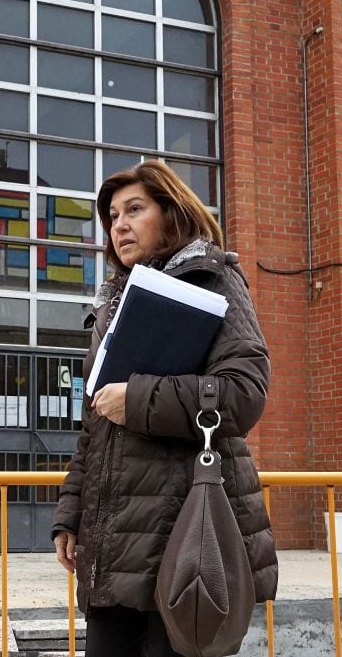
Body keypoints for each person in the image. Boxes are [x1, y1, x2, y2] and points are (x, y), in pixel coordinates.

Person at [51, 160, 278, 656]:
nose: (120, 226)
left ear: (172, 215)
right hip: (112, 545)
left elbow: (243, 392)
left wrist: (136, 399)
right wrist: (70, 515)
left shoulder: (211, 280)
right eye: (112, 217)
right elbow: (95, 424)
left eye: (135, 210)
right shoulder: (113, 302)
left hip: (184, 537)